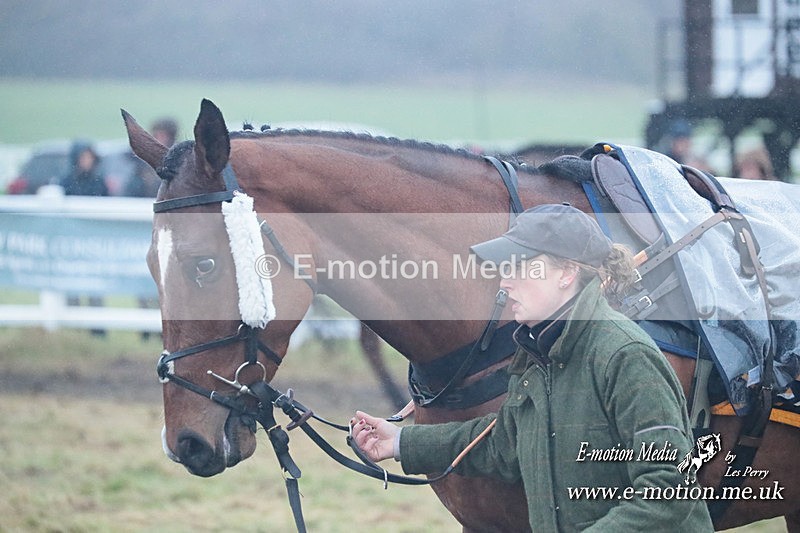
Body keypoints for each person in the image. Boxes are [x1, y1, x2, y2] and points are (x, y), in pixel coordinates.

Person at [352, 203, 713, 531]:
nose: (505, 282)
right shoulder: (538, 355)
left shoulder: (625, 355)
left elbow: (669, 487)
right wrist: (399, 441)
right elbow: (505, 444)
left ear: (566, 273)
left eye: (520, 267)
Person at [124, 118, 178, 197]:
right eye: (156, 135)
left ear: (171, 137)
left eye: (163, 136)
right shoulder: (140, 161)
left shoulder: (179, 161)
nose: (158, 139)